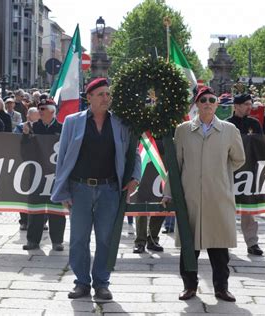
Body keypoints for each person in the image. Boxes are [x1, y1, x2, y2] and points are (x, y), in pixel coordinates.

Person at [51, 78, 141, 300]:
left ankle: (102, 282)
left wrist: (135, 177)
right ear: (88, 97)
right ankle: (81, 283)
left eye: (108, 94)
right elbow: (62, 158)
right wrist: (63, 191)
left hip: (109, 189)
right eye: (101, 94)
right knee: (79, 238)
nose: (105, 98)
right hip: (79, 188)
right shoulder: (72, 122)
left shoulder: (120, 123)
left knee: (105, 239)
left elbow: (134, 153)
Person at [162, 86, 245, 302]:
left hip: (218, 195)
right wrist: (169, 193)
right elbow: (176, 164)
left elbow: (238, 159)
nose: (207, 103)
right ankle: (189, 286)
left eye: (212, 99)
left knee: (219, 246)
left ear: (217, 104)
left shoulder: (229, 130)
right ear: (197, 104)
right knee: (190, 245)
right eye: (203, 100)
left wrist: (220, 174)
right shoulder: (182, 130)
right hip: (190, 196)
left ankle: (221, 288)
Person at [22, 99, 65, 251]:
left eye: (42, 108)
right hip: (37, 174)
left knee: (57, 209)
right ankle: (33, 240)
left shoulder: (62, 128)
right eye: (38, 108)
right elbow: (24, 152)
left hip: (56, 176)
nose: (39, 111)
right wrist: (26, 136)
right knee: (35, 208)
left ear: (52, 111)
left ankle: (57, 241)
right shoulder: (33, 127)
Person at [226, 93, 264, 256]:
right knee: (227, 208)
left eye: (250, 104)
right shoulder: (226, 124)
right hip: (229, 173)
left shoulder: (254, 124)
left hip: (249, 173)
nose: (250, 107)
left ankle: (252, 242)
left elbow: (261, 146)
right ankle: (224, 242)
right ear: (236, 106)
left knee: (249, 209)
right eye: (246, 104)